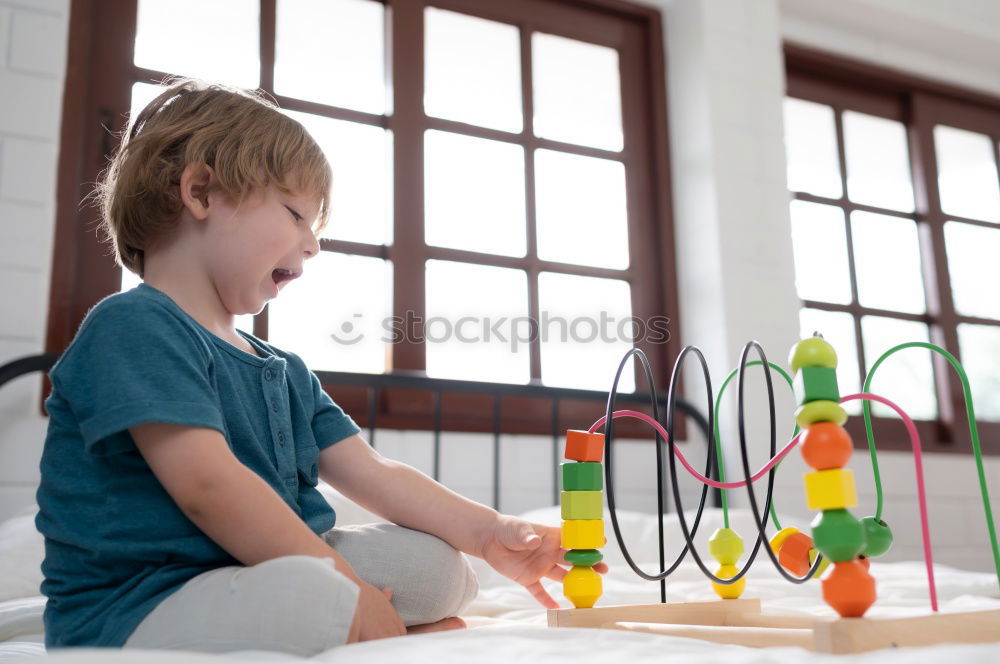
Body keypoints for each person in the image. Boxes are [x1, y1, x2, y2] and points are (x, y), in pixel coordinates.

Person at [34, 78, 607, 656]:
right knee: (312, 593)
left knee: (438, 567)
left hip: (269, 572)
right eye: (295, 215)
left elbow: (376, 473)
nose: (312, 244)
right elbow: (207, 486)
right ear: (202, 191)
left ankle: (359, 618)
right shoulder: (134, 325)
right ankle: (357, 620)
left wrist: (489, 533)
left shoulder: (282, 368)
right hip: (140, 604)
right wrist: (343, 583)